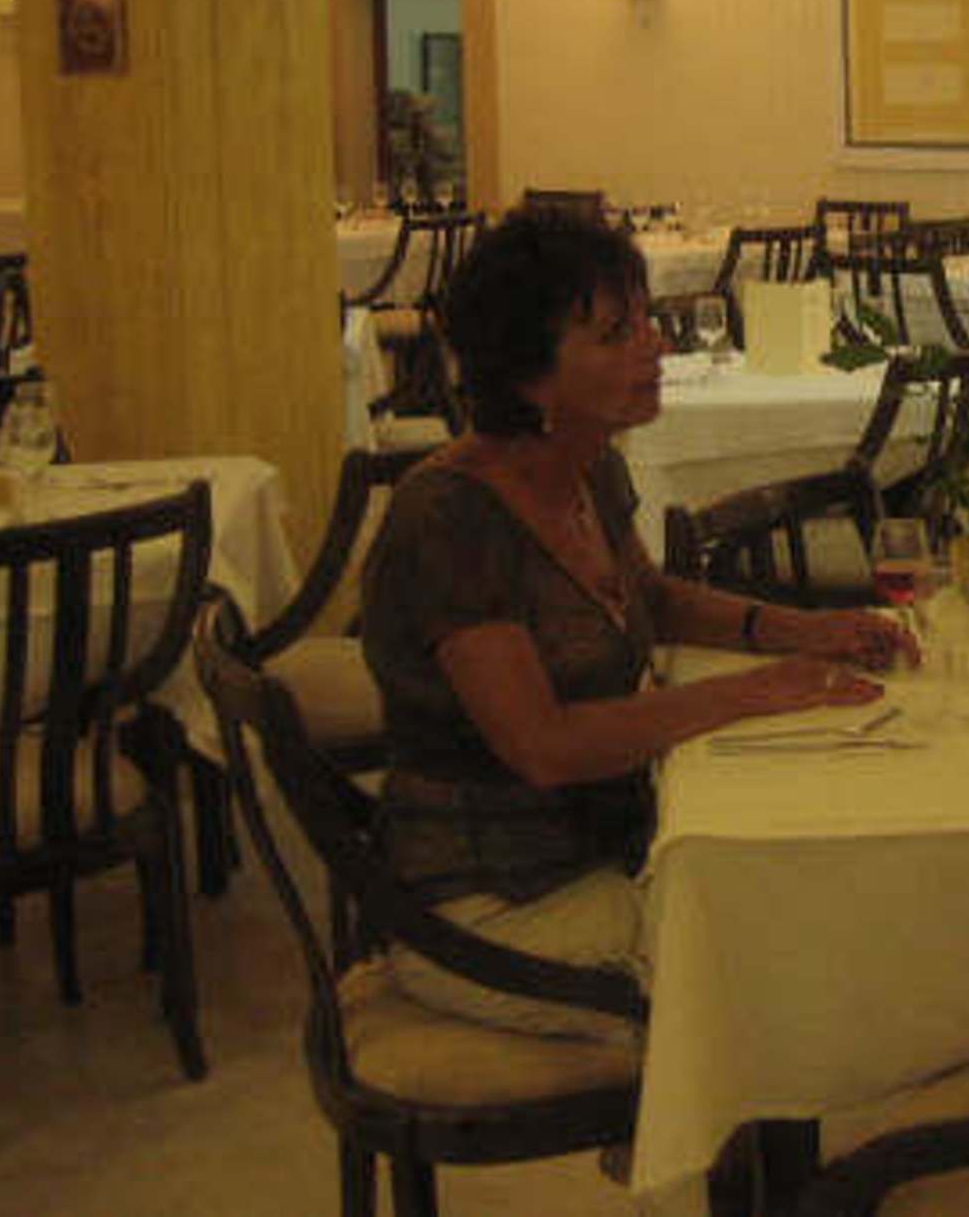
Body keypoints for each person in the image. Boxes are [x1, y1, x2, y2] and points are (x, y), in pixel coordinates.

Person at [361, 207, 912, 1038]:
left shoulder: (589, 466)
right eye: (617, 334)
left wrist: (805, 631)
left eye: (648, 320)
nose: (655, 345)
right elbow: (544, 745)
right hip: (485, 908)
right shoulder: (450, 517)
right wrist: (756, 691)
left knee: (816, 883)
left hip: (597, 851)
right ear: (528, 374)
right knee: (790, 956)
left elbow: (649, 598)